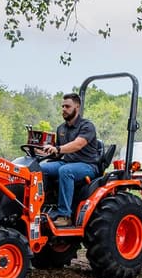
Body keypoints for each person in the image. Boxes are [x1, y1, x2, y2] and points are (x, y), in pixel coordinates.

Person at [39, 93, 99, 227]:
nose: (64, 109)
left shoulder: (87, 126)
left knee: (65, 171)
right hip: (66, 162)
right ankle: (39, 207)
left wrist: (58, 149)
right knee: (40, 168)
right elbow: (58, 154)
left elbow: (77, 144)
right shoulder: (61, 128)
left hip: (87, 165)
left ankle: (65, 215)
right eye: (62, 106)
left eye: (67, 106)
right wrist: (46, 151)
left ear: (77, 107)